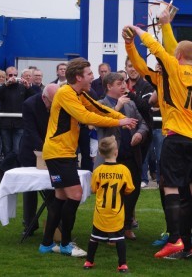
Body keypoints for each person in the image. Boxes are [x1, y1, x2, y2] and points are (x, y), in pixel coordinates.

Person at [124, 24, 192, 258]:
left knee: (170, 187)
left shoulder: (173, 70)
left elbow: (150, 53)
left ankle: (176, 238)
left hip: (175, 137)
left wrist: (135, 35)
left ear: (177, 56)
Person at [38, 57, 137, 257]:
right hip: (58, 153)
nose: (93, 77)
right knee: (74, 195)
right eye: (89, 74)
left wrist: (121, 118)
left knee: (60, 197)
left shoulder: (79, 92)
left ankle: (47, 243)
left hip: (63, 152)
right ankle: (65, 243)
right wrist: (119, 122)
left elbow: (97, 108)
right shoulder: (66, 93)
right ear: (78, 77)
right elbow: (86, 117)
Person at [94, 72, 149, 240]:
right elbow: (100, 122)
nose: (124, 86)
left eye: (124, 83)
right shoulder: (100, 103)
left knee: (132, 192)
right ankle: (109, 229)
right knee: (111, 195)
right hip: (111, 158)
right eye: (119, 83)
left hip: (131, 155)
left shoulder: (131, 104)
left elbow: (143, 123)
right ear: (109, 86)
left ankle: (125, 226)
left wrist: (139, 134)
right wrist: (116, 108)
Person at [83, 136, 134, 273]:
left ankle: (89, 261)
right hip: (116, 212)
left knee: (94, 238)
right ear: (116, 152)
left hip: (100, 212)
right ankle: (122, 264)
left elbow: (94, 189)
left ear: (100, 153)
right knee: (119, 238)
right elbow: (129, 189)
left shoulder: (98, 170)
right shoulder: (124, 170)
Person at [18, 84, 59, 235]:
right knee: (30, 189)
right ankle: (29, 224)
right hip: (31, 151)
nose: (54, 105)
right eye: (51, 102)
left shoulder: (59, 102)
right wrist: (45, 149)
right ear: (44, 97)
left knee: (52, 187)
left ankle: (55, 224)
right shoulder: (29, 104)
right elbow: (31, 131)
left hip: (53, 149)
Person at [0, 66, 36, 158]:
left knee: (17, 149)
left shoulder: (23, 87)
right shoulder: (3, 87)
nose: (13, 77)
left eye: (15, 75)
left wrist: (28, 87)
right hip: (5, 124)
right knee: (6, 150)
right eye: (11, 75)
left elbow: (34, 99)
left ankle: (16, 169)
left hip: (19, 124)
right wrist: (6, 84)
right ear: (7, 76)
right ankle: (7, 170)